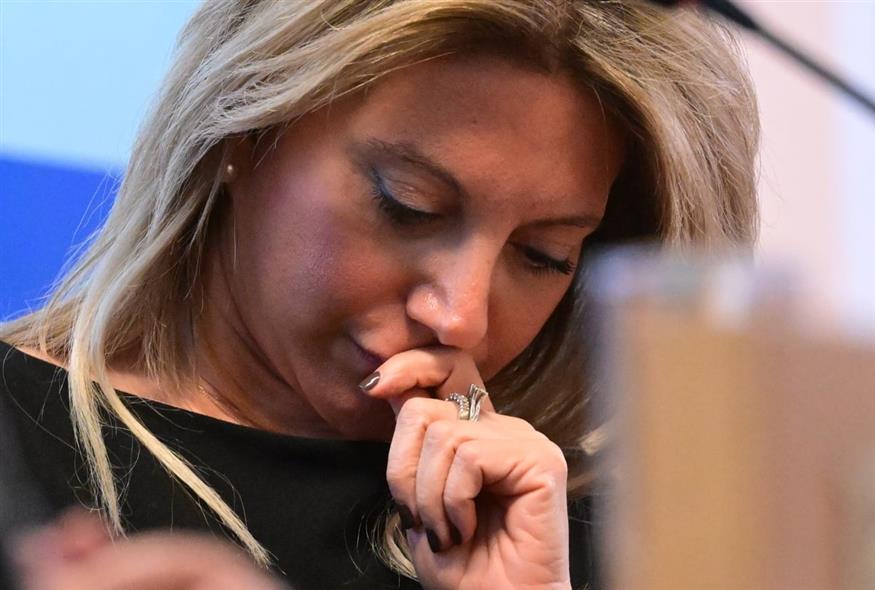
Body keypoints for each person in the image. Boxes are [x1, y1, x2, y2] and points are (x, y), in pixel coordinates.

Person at [0, 0, 759, 588]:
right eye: (408, 206)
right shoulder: (17, 453)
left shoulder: (572, 535)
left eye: (542, 255)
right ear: (246, 132)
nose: (459, 316)